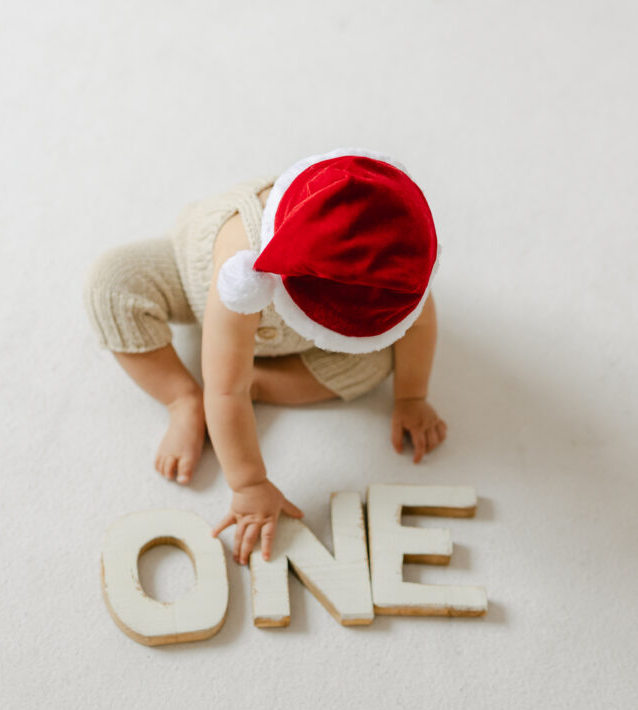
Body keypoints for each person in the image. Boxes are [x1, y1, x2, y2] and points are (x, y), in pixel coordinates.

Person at [83, 148, 447, 565]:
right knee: (110, 284)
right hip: (197, 287)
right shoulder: (243, 272)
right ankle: (181, 398)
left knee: (380, 363)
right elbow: (224, 388)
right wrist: (250, 484)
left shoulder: (398, 262)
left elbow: (418, 324)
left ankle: (264, 382)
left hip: (307, 333)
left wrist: (412, 397)